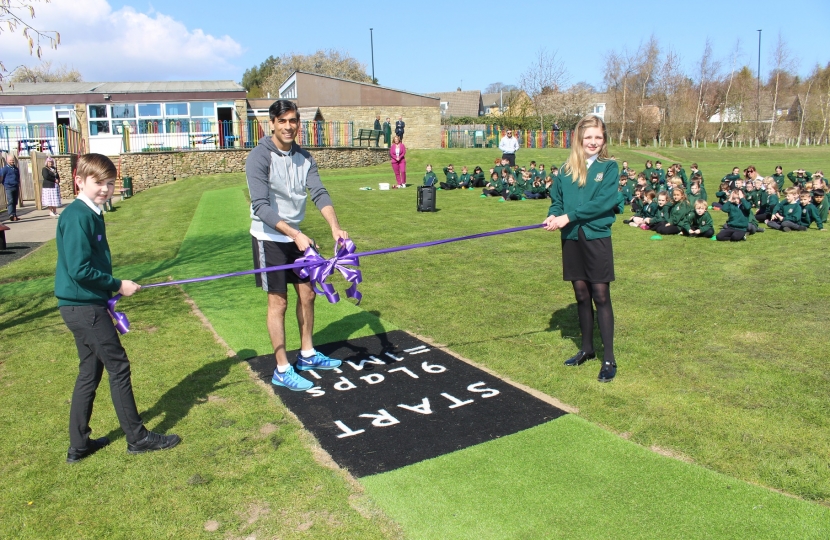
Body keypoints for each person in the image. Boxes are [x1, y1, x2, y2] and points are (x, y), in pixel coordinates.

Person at [56, 153, 180, 462]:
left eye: (110, 183)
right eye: (98, 182)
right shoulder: (78, 216)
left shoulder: (93, 213)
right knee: (118, 366)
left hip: (84, 305)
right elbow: (79, 269)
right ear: (79, 181)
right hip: (83, 307)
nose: (105, 189)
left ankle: (79, 446)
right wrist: (117, 284)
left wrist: (110, 289)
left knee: (90, 370)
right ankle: (137, 438)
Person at [246, 100, 348, 391]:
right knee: (278, 302)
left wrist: (335, 227)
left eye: (293, 120)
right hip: (269, 237)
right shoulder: (259, 157)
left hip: (296, 236)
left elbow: (319, 192)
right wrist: (294, 235)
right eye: (282, 121)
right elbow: (261, 206)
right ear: (272, 124)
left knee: (308, 294)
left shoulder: (305, 157)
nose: (288, 126)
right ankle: (281, 369)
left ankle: (307, 354)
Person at [544, 114, 618, 383]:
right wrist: (553, 216)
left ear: (604, 139)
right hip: (571, 237)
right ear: (578, 138)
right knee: (581, 294)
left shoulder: (609, 167)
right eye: (588, 137)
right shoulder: (566, 170)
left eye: (598, 137)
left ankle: (608, 358)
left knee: (600, 294)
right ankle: (587, 349)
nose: (593, 142)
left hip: (596, 236)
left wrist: (569, 216)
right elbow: (557, 200)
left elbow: (603, 203)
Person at [0, 154, 21, 221]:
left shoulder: (16, 168)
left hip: (15, 186)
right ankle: (11, 215)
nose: (12, 161)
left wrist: (18, 182)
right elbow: (1, 177)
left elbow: (18, 176)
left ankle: (14, 215)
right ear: (7, 161)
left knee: (15, 201)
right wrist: (5, 184)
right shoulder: (5, 169)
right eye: (10, 160)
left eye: (13, 160)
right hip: (9, 187)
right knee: (11, 201)